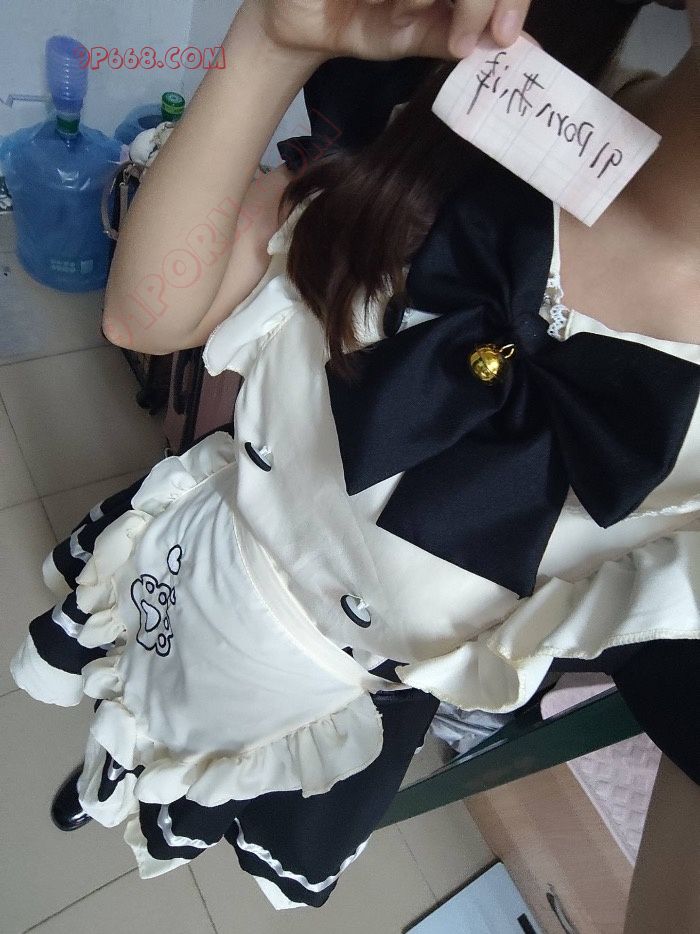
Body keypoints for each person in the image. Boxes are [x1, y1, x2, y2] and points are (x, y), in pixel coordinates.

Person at [10, 0, 699, 925]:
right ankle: (108, 766)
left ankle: (131, 793)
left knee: (205, 780)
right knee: (126, 671)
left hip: (327, 686)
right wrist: (268, 43)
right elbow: (144, 317)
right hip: (202, 550)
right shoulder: (482, 101)